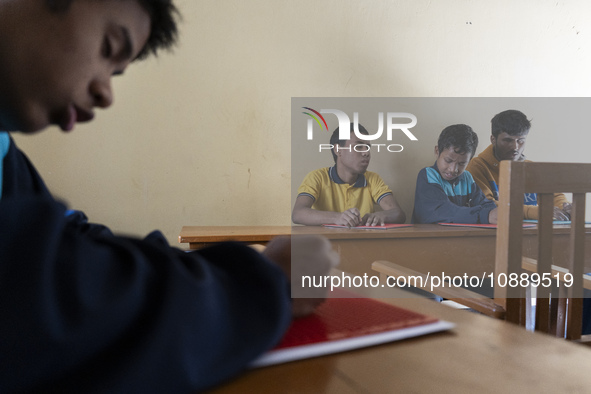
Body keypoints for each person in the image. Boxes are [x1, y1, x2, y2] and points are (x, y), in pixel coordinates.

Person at [0, 1, 338, 392]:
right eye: (109, 48)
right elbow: (44, 294)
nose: (107, 93)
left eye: (116, 73)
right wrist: (262, 284)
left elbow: (72, 243)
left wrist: (215, 267)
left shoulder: (8, 158)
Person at [292, 123, 406, 227]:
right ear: (338, 149)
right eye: (358, 146)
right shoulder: (317, 177)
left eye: (368, 147)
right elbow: (298, 214)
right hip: (325, 245)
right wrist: (337, 217)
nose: (366, 152)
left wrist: (381, 216)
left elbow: (398, 213)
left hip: (361, 246)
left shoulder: (373, 178)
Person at [466, 109, 571, 220]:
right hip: (495, 234)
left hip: (532, 232)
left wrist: (565, 208)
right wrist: (534, 212)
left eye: (520, 140)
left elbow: (555, 196)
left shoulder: (532, 168)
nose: (515, 147)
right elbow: (487, 207)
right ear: (493, 139)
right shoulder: (477, 167)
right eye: (508, 140)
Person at [412, 124, 498, 224]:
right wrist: (485, 215)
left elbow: (485, 205)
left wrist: (493, 212)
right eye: (448, 160)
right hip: (431, 238)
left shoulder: (467, 178)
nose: (453, 169)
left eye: (462, 163)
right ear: (437, 151)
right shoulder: (428, 175)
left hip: (459, 237)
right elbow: (440, 211)